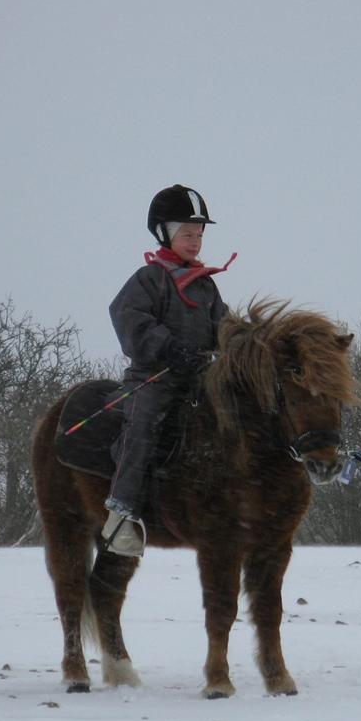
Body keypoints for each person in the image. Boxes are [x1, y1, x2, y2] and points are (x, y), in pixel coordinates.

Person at [102, 184, 237, 557]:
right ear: (165, 234)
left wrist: (245, 343)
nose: (195, 242)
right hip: (153, 378)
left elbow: (224, 327)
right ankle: (121, 514)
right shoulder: (149, 280)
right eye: (186, 234)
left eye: (199, 235)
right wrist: (169, 347)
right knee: (143, 422)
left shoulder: (207, 286)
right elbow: (130, 320)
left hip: (198, 381)